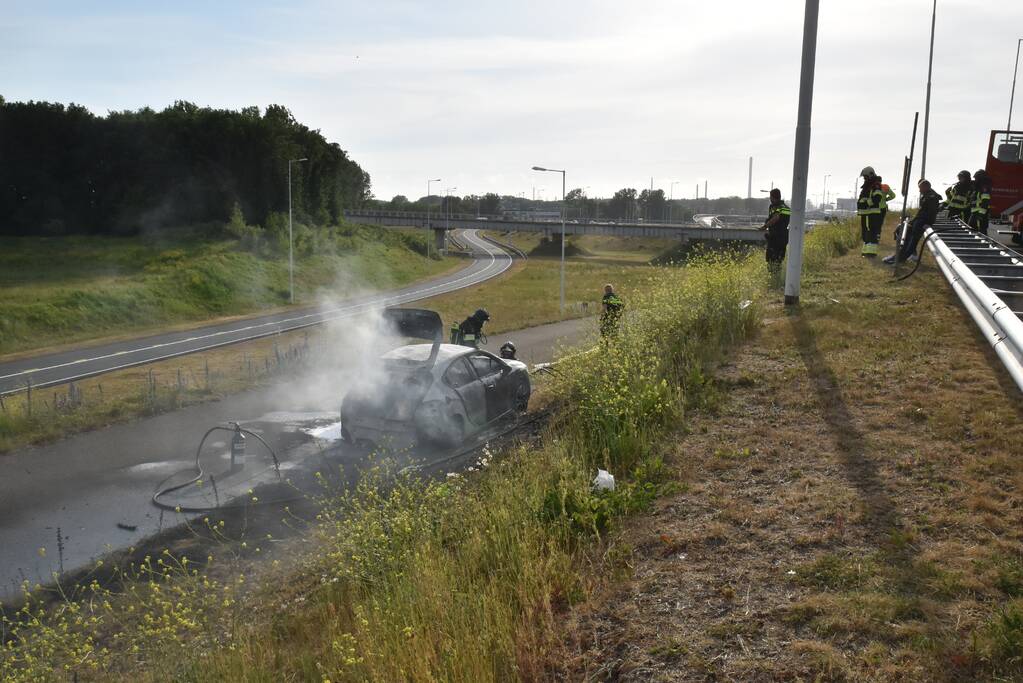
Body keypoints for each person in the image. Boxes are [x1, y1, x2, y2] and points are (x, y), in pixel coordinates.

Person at [883, 179, 941, 264]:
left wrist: (922, 223)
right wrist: (912, 221)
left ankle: (901, 259)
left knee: (912, 240)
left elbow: (929, 213)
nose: (919, 190)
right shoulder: (927, 195)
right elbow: (922, 212)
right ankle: (898, 256)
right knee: (904, 232)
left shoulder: (932, 197)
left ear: (926, 187)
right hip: (920, 220)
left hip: (923, 222)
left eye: (920, 188)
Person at [760, 188, 791, 274]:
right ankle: (777, 276)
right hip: (783, 237)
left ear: (772, 197)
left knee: (771, 259)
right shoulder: (787, 208)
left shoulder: (777, 207)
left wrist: (765, 226)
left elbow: (776, 218)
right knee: (779, 259)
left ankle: (773, 277)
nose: (770, 199)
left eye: (770, 197)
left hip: (775, 237)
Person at [857, 166, 885, 257]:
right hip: (866, 213)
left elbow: (877, 197)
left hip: (870, 213)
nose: (864, 178)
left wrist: (866, 204)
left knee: (870, 232)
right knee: (866, 232)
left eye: (865, 176)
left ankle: (870, 253)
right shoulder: (868, 185)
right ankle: (866, 251)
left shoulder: (875, 185)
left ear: (870, 175)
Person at [967, 169, 992, 235]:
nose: (975, 180)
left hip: (980, 214)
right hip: (975, 213)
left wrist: (981, 214)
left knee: (982, 233)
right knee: (971, 230)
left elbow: (985, 202)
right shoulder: (977, 188)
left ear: (980, 178)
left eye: (976, 178)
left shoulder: (984, 188)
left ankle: (985, 244)